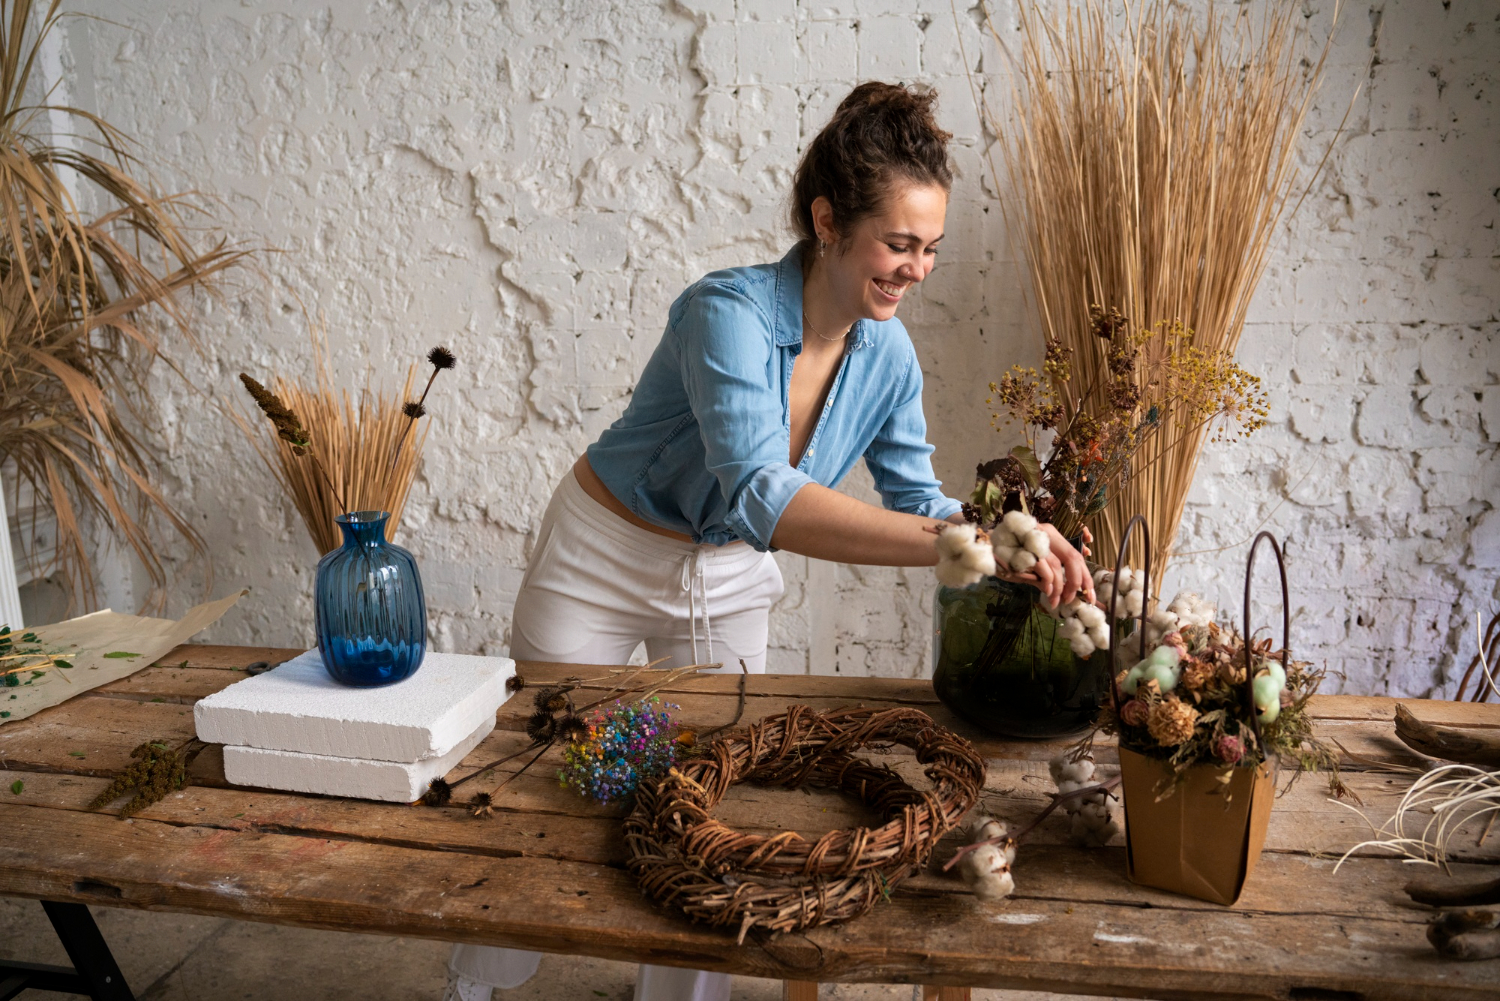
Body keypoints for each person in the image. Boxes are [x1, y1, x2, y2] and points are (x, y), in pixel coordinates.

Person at [444, 81, 1090, 1001]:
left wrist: (1017, 540)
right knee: (552, 780)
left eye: (931, 248)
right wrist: (967, 541)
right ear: (828, 221)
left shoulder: (888, 354)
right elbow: (762, 495)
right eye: (899, 243)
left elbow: (919, 498)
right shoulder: (727, 313)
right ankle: (478, 984)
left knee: (708, 799)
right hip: (605, 553)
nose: (917, 268)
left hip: (731, 576)